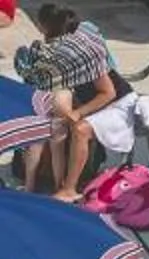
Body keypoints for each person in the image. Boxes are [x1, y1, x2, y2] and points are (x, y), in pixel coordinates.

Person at [14, 5, 118, 199]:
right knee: (58, 147)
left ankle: (29, 185)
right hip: (64, 100)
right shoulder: (81, 44)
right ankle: (59, 184)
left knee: (35, 143)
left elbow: (23, 69)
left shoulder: (38, 50)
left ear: (42, 26)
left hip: (42, 100)